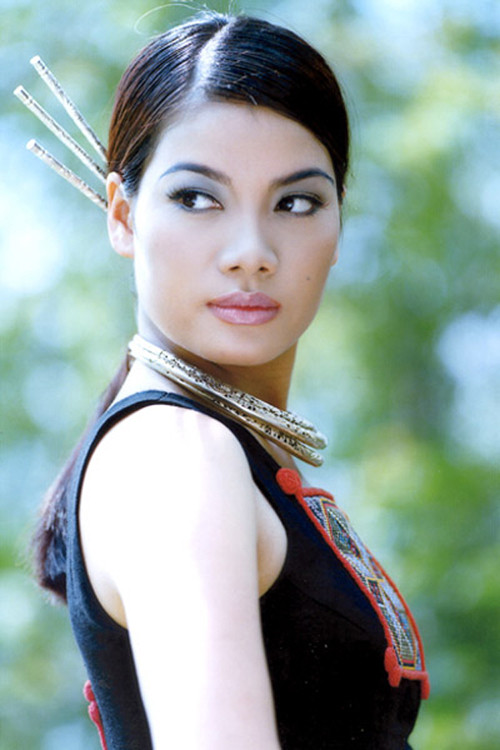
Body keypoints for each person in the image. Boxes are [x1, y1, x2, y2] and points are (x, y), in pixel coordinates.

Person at [32, 11, 430, 749]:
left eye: (296, 202)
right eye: (196, 198)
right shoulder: (175, 455)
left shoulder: (211, 445)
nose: (251, 251)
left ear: (338, 225)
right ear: (123, 216)